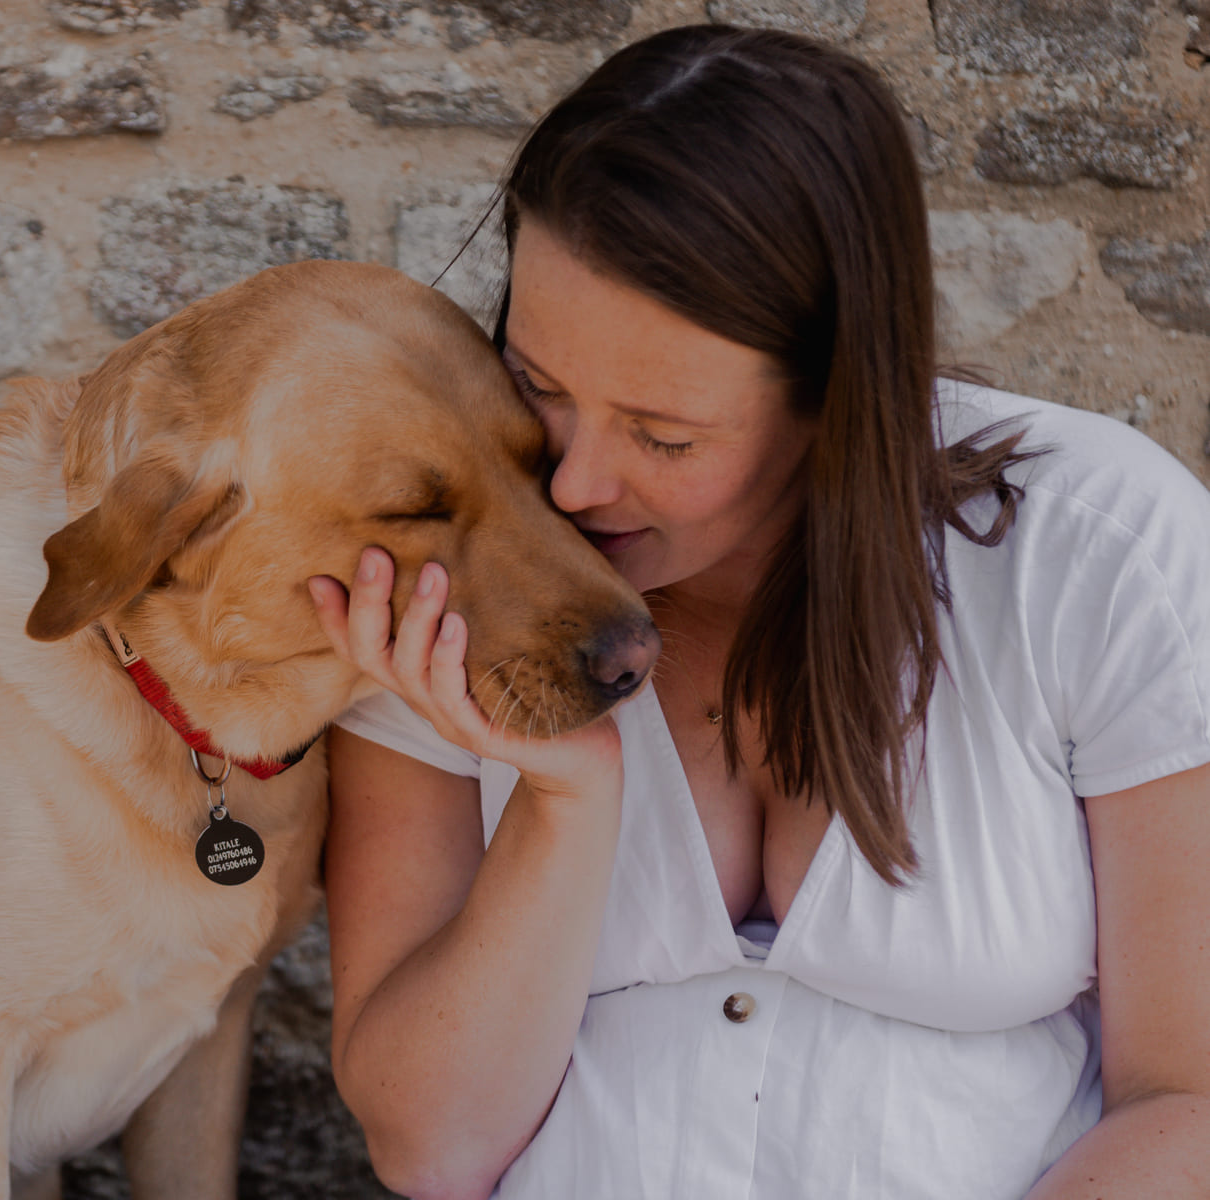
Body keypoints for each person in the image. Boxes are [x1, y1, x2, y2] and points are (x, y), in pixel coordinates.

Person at [304, 23, 1210, 1200]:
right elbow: (430, 1146)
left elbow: (1188, 1102)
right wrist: (565, 797)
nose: (572, 486)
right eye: (540, 387)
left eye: (665, 436)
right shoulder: (441, 575)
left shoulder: (1102, 550)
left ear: (841, 393)